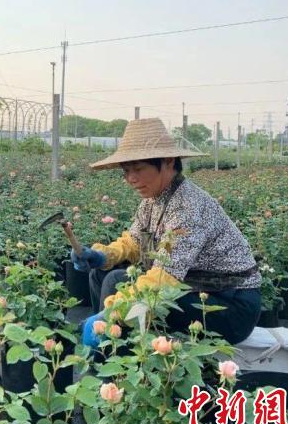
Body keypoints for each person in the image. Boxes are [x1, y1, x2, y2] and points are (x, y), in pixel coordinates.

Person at [73, 118, 261, 347]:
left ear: (168, 161)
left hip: (229, 306)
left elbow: (165, 279)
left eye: (139, 169)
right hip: (194, 289)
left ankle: (111, 348)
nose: (131, 179)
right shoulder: (153, 199)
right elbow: (134, 241)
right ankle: (109, 347)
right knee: (101, 273)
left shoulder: (188, 207)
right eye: (127, 171)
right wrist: (103, 255)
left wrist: (110, 312)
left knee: (117, 284)